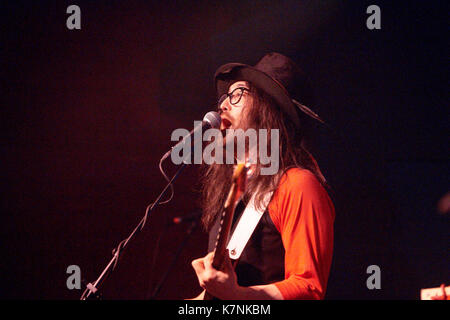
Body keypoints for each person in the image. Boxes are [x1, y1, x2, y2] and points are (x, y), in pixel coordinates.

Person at [190, 52, 335, 300]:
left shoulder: (298, 185)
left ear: (267, 109)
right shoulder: (233, 193)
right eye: (225, 97)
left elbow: (309, 289)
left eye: (237, 95)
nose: (222, 105)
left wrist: (236, 294)